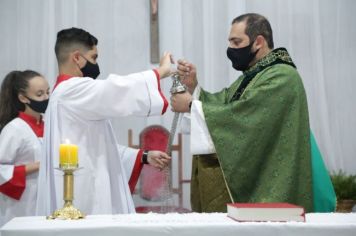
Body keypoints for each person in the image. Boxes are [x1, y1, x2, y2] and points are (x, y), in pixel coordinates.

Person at [171, 13, 334, 213]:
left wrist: (190, 106)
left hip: (273, 190)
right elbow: (225, 103)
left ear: (258, 42)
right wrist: (193, 87)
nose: (230, 49)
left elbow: (243, 118)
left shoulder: (282, 76)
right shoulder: (256, 74)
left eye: (236, 42)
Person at [36, 27, 172, 216]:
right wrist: (162, 71)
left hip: (81, 182)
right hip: (84, 191)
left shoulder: (66, 94)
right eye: (93, 58)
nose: (96, 64)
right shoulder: (72, 90)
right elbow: (116, 89)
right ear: (77, 57)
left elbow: (98, 146)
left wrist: (143, 156)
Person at [0, 70, 49, 226]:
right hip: (21, 207)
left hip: (46, 200)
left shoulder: (50, 124)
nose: (46, 98)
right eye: (40, 94)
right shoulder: (14, 129)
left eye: (48, 92)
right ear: (23, 98)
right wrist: (36, 166)